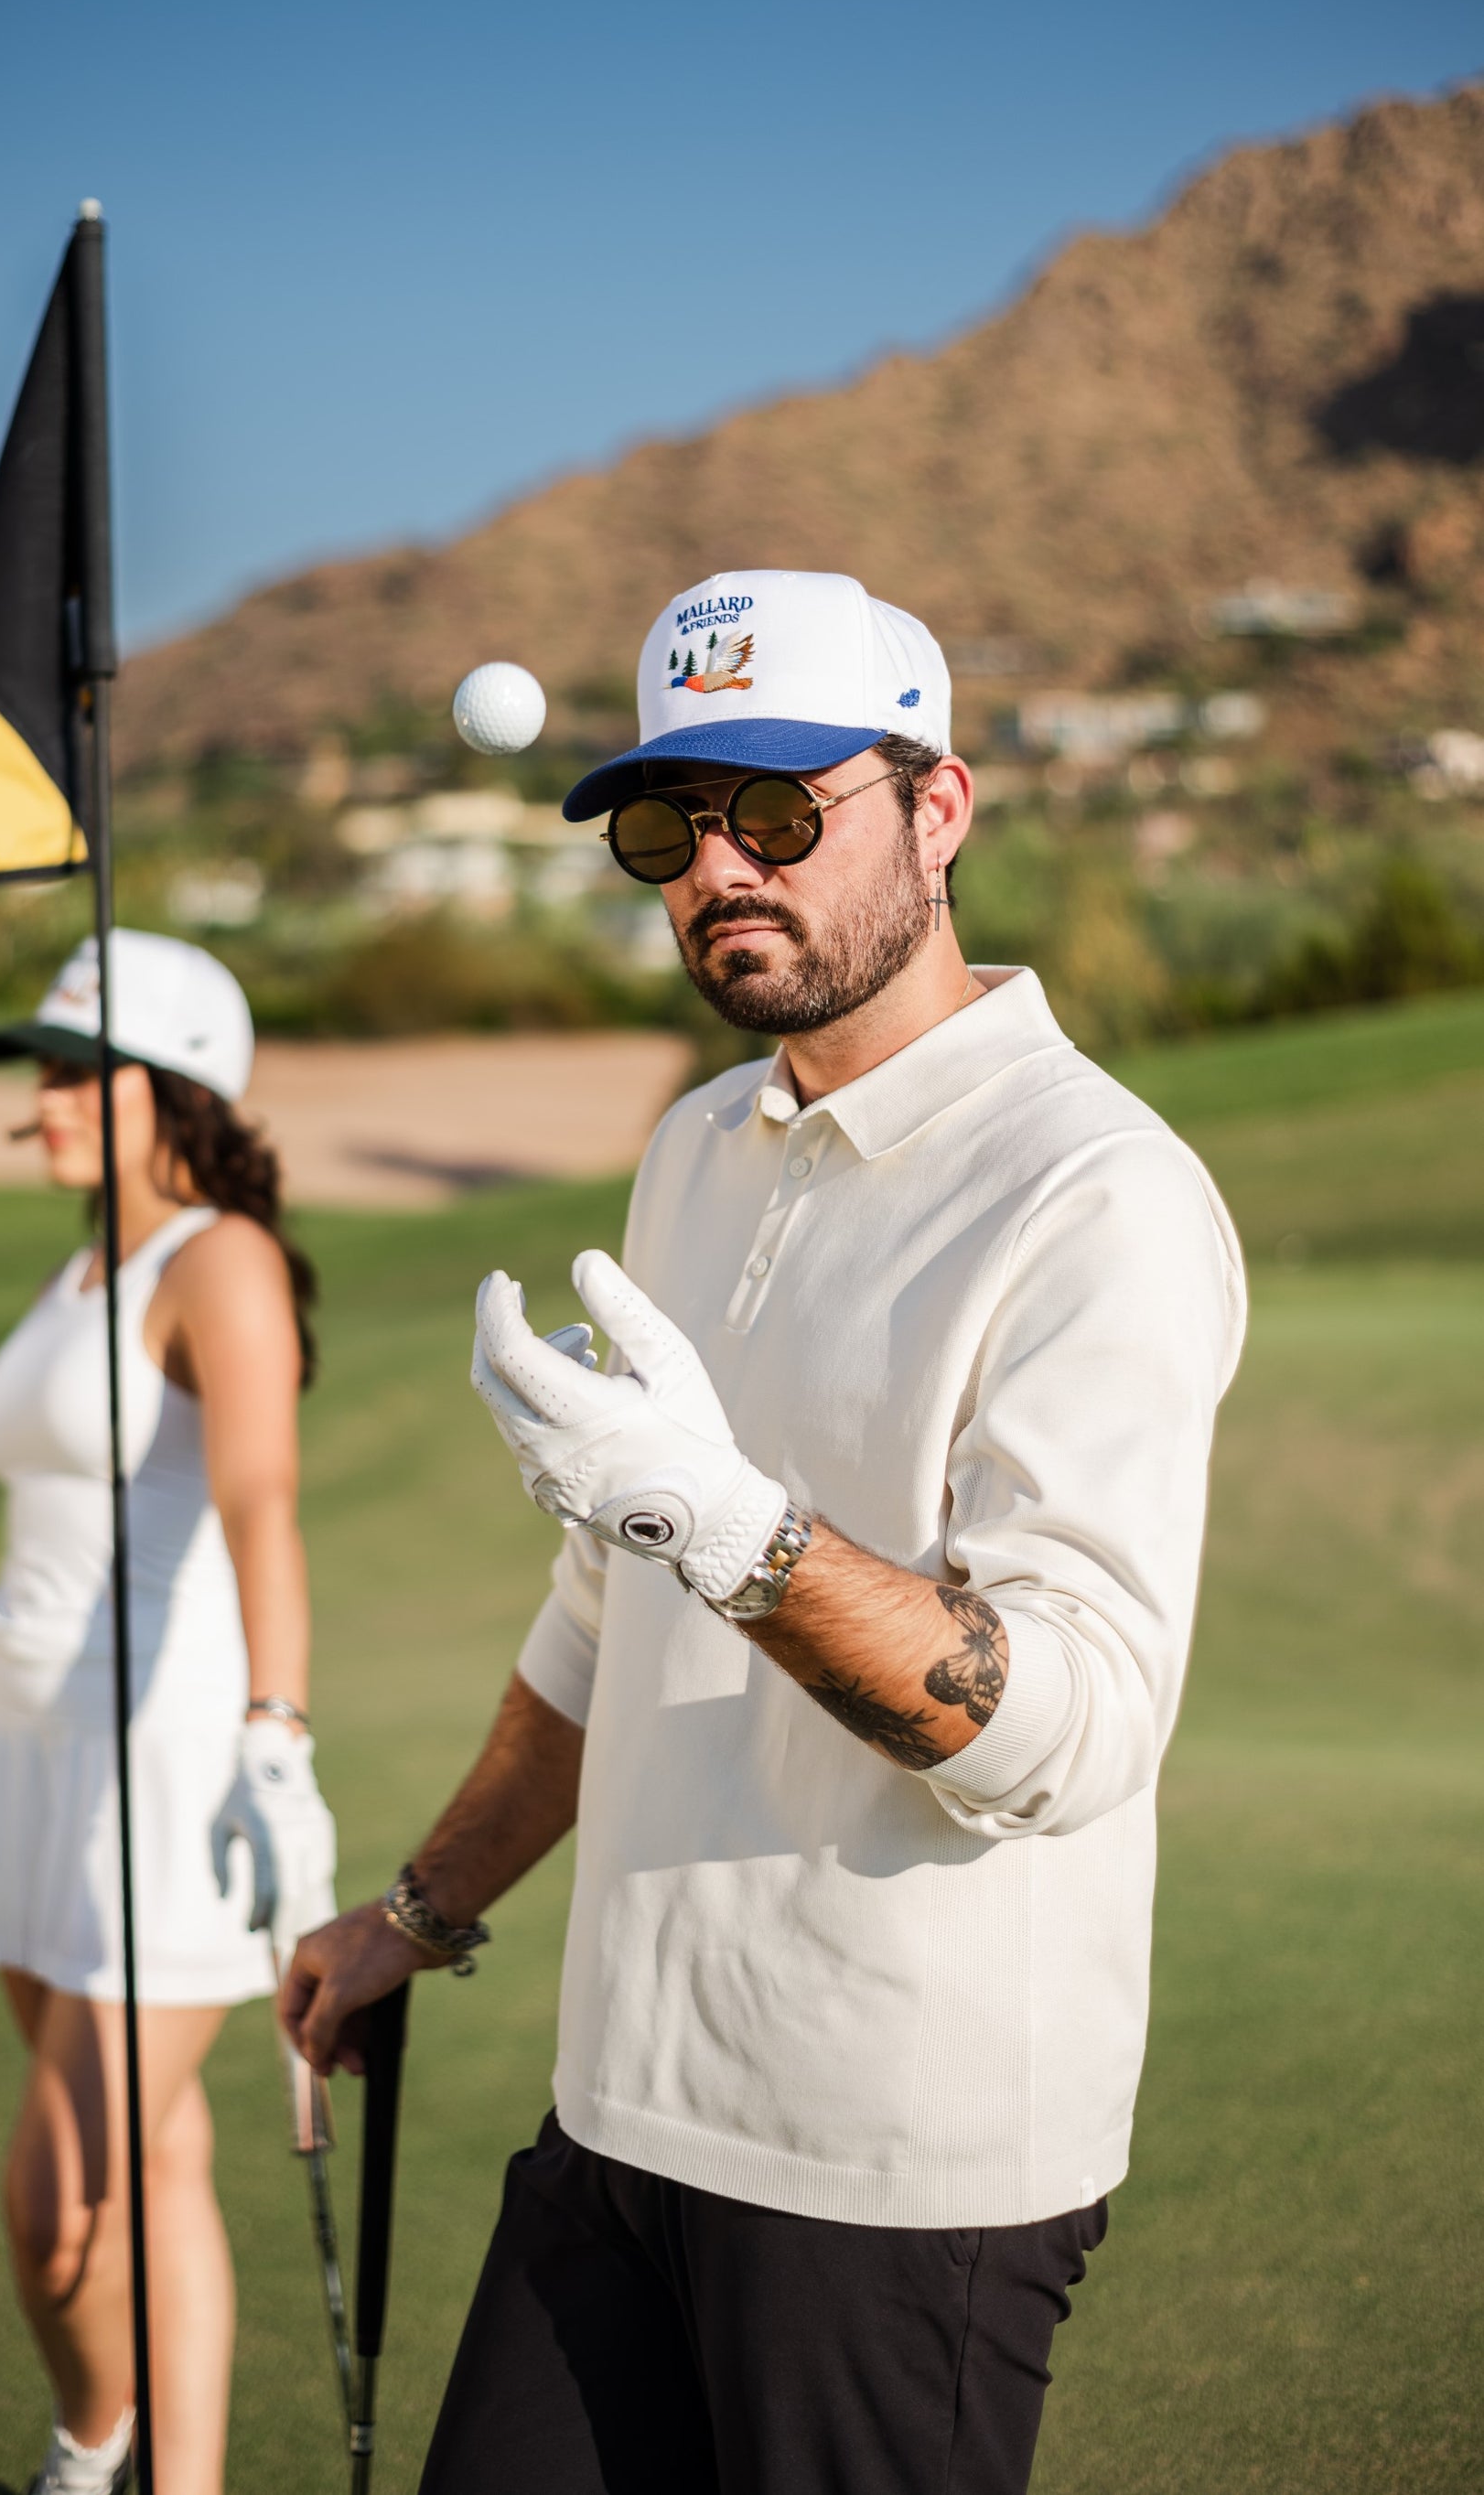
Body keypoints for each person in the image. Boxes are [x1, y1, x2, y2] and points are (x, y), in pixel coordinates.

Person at [285, 570, 1247, 2495]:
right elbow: (598, 1611)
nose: (720, 865)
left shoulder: (1098, 1194)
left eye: (780, 811)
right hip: (623, 2113)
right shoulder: (697, 1146)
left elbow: (1066, 1733)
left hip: (897, 2169)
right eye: (670, 824)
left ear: (939, 809)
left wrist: (732, 1528)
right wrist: (420, 1910)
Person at [0, 930, 337, 2495]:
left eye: (75, 1072)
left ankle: (92, 2454)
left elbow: (265, 1506)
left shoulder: (216, 1258)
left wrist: (277, 1734)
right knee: (150, 2162)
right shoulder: (79, 1262)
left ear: (176, 1085)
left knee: (60, 2205)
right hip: (26, 1763)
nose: (42, 1102)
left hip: (153, 1781)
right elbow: (36, 1562)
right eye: (41, 1073)